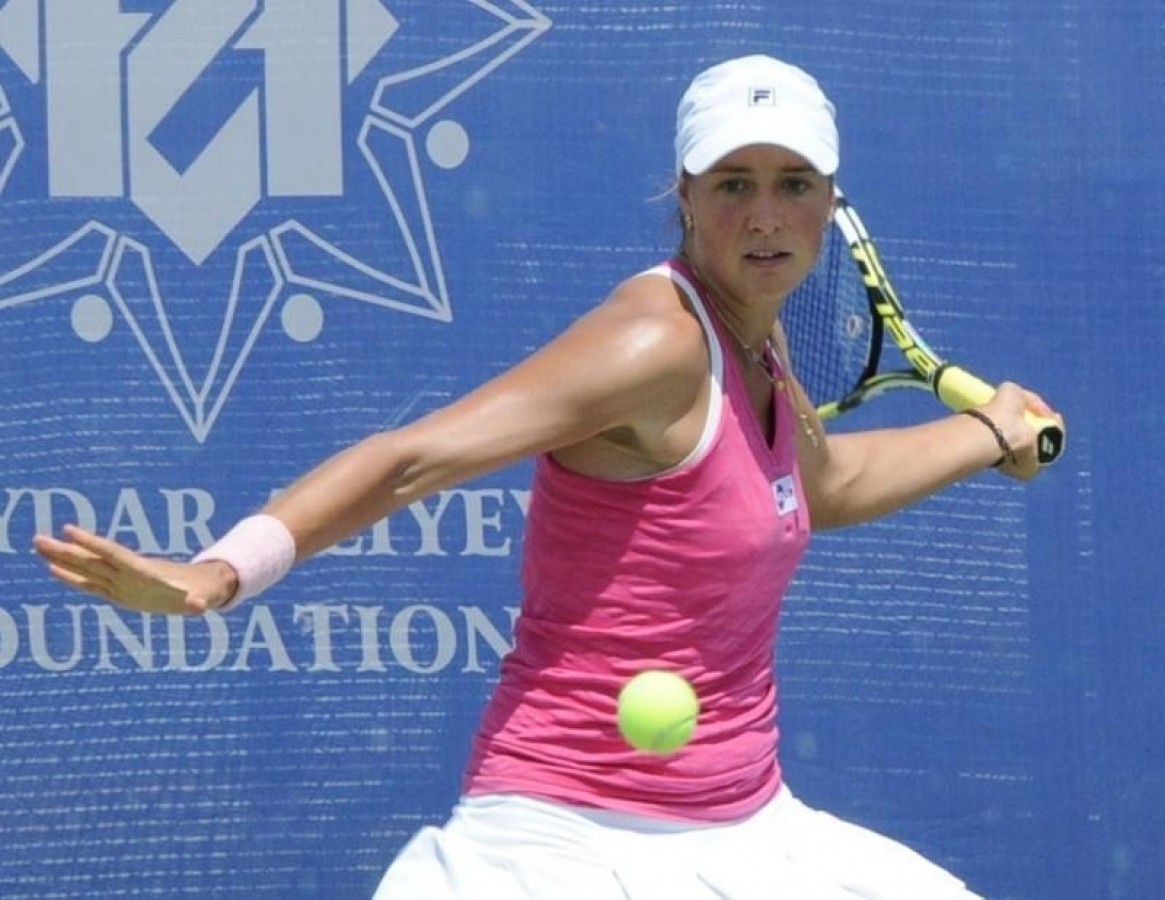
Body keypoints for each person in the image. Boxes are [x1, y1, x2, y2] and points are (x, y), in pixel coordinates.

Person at [33, 54, 1061, 899]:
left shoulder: (761, 337)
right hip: (559, 841)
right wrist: (221, 573)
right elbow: (412, 457)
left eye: (793, 184)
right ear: (685, 197)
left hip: (749, 828)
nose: (763, 215)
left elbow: (821, 485)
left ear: (831, 203)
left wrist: (986, 430)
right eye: (732, 184)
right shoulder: (655, 343)